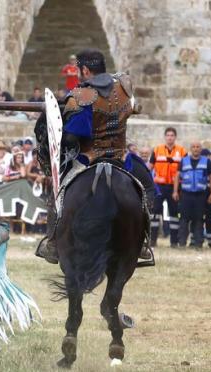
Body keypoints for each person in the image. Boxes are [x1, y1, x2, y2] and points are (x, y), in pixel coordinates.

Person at [34, 48, 155, 263]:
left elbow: (72, 138)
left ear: (85, 69)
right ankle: (143, 242)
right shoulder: (124, 88)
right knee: (146, 187)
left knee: (59, 191)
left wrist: (62, 118)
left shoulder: (82, 96)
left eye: (80, 70)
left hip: (88, 158)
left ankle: (52, 242)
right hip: (122, 157)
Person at [172, 141, 211, 248]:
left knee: (199, 219)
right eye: (193, 147)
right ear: (190, 149)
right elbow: (177, 176)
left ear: (201, 149)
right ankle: (182, 243)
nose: (196, 149)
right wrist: (175, 191)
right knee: (183, 220)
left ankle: (198, 243)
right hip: (186, 195)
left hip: (201, 195)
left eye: (198, 147)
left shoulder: (207, 161)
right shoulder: (183, 160)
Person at [149, 127, 187, 247]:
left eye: (172, 135)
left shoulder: (182, 151)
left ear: (175, 137)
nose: (170, 137)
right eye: (168, 135)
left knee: (174, 214)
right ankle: (153, 240)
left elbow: (186, 169)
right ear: (165, 137)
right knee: (154, 213)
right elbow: (149, 168)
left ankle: (174, 242)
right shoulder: (157, 150)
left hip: (174, 187)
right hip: (158, 187)